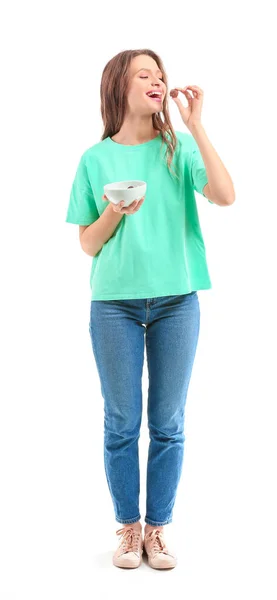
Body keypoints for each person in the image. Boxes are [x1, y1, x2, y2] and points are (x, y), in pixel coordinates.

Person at [65, 48, 235, 569]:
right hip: (113, 303)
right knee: (120, 422)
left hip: (176, 301)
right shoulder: (94, 160)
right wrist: (115, 213)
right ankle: (128, 529)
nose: (158, 81)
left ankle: (158, 529)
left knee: (167, 421)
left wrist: (197, 126)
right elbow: (88, 244)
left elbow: (225, 196)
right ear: (120, 85)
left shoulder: (178, 148)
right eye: (145, 74)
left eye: (161, 75)